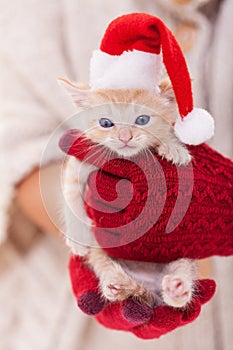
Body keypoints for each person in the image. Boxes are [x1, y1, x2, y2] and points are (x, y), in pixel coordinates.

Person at [0, 0, 232, 262]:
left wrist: (222, 208)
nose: (125, 136)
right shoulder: (34, 12)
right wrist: (104, 224)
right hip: (60, 278)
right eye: (109, 124)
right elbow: (18, 150)